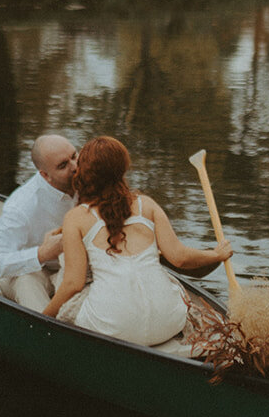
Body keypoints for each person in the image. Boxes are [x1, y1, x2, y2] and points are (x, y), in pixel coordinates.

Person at [41, 136, 233, 345]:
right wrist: (217, 254)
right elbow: (179, 258)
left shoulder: (75, 218)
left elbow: (73, 283)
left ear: (85, 171)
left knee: (67, 286)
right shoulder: (147, 205)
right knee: (172, 283)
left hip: (111, 327)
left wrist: (43, 317)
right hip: (169, 322)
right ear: (123, 168)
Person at [0, 133, 78, 309]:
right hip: (33, 270)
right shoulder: (22, 205)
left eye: (75, 156)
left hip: (73, 267)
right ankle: (47, 331)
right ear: (45, 175)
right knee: (27, 281)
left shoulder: (89, 179)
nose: (75, 167)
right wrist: (43, 253)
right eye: (63, 165)